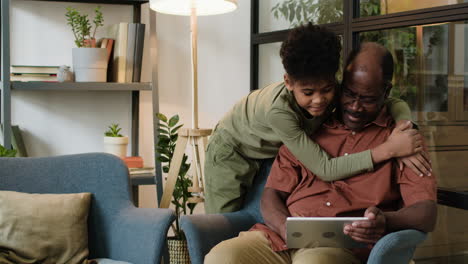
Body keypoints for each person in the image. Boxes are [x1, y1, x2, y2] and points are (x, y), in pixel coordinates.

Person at [204, 42, 437, 264]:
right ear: (341, 85)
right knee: (222, 256)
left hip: (338, 246)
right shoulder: (311, 123)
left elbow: (426, 212)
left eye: (367, 99)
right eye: (349, 94)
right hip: (277, 236)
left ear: (386, 92)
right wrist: (284, 227)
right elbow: (272, 194)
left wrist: (385, 221)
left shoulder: (402, 141)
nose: (355, 106)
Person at [204, 23, 431, 214]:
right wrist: (390, 149)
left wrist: (403, 130)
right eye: (308, 93)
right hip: (233, 149)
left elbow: (394, 102)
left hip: (271, 146)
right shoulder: (279, 113)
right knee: (223, 221)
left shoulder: (337, 93)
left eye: (327, 89)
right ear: (288, 82)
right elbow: (325, 168)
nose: (319, 101)